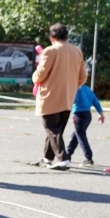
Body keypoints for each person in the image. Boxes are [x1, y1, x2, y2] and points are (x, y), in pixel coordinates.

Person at [31, 23, 87, 169]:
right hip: (68, 95)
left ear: (51, 37)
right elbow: (83, 76)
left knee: (51, 128)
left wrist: (34, 77)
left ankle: (63, 158)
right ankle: (47, 157)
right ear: (66, 36)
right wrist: (72, 85)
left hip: (50, 95)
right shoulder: (77, 51)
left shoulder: (50, 51)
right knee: (57, 129)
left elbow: (41, 74)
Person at [66, 83, 105, 166]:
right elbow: (95, 101)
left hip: (79, 115)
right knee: (76, 135)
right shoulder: (87, 89)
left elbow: (73, 100)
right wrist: (100, 113)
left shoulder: (75, 88)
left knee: (80, 136)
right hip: (87, 115)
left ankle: (88, 157)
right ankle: (67, 154)